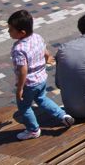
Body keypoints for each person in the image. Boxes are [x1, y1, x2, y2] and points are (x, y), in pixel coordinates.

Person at [7, 10, 74, 140]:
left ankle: (33, 130)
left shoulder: (18, 49)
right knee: (42, 99)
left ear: (22, 33)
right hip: (41, 78)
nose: (8, 32)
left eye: (11, 29)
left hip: (29, 84)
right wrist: (47, 58)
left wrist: (20, 88)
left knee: (25, 107)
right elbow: (44, 50)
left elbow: (23, 70)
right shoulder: (37, 37)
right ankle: (63, 116)